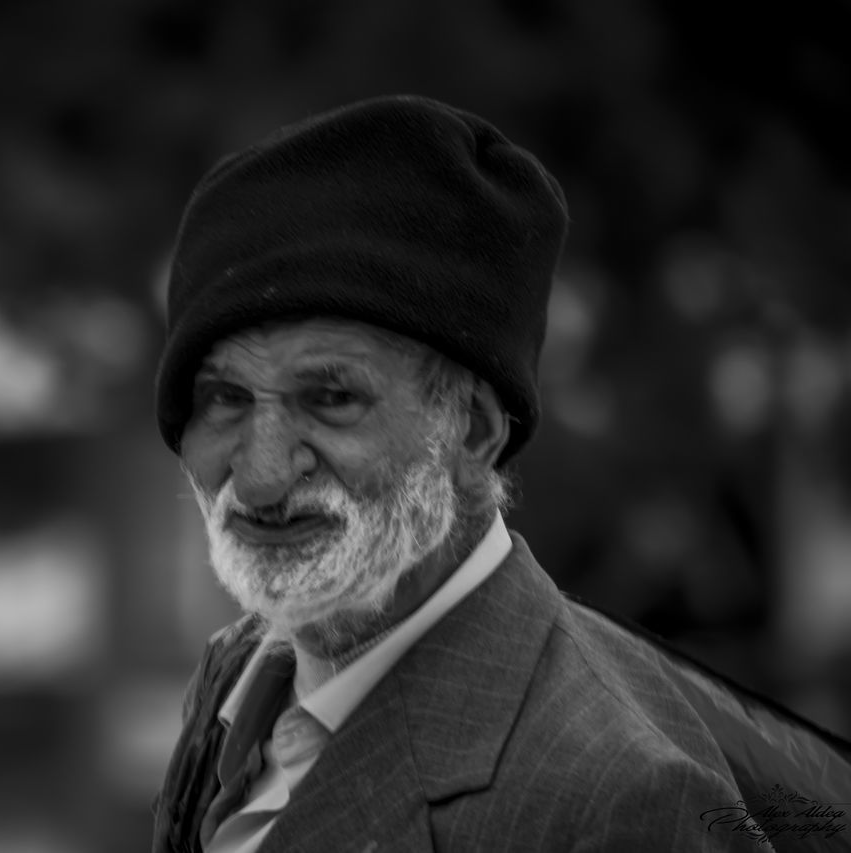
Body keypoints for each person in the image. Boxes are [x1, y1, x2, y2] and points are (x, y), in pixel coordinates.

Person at [150, 95, 851, 852]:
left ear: (474, 429)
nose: (256, 477)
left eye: (331, 398)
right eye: (224, 398)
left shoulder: (619, 797)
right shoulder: (236, 677)